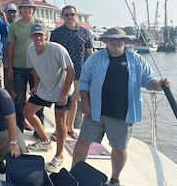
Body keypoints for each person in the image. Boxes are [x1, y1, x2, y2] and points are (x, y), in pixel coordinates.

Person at [71, 27, 171, 186]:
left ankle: (115, 178)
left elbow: (149, 81)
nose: (115, 41)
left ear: (125, 41)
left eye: (119, 39)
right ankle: (74, 173)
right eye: (111, 38)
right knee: (82, 142)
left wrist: (160, 85)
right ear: (106, 41)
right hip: (95, 112)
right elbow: (84, 81)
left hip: (122, 113)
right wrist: (86, 105)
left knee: (119, 148)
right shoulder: (94, 59)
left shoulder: (137, 60)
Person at [23, 23, 75, 173]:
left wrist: (64, 94)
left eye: (40, 34)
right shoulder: (30, 49)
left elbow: (71, 71)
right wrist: (36, 85)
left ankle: (59, 156)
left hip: (61, 90)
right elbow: (34, 69)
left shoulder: (57, 49)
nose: (38, 37)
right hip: (44, 89)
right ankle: (45, 140)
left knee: (60, 123)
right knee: (27, 112)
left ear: (46, 35)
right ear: (31, 37)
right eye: (35, 35)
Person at [50, 5, 93, 138]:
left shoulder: (85, 33)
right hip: (61, 72)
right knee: (60, 100)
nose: (69, 17)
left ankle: (70, 127)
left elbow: (89, 53)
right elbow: (52, 53)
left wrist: (91, 72)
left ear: (76, 15)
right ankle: (58, 129)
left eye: (72, 14)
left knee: (74, 100)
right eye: (66, 15)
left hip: (79, 72)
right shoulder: (56, 33)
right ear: (62, 16)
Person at [7, 0, 44, 132]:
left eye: (30, 7)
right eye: (24, 7)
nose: (27, 9)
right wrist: (10, 66)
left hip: (37, 67)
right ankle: (19, 129)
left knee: (39, 98)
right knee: (19, 99)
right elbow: (11, 46)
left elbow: (46, 43)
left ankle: (39, 131)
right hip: (19, 66)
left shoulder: (39, 23)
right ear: (20, 10)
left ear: (33, 10)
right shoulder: (14, 26)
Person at [1, 3, 17, 97]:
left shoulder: (19, 25)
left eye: (13, 12)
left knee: (18, 89)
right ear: (5, 13)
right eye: (9, 12)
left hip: (18, 64)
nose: (11, 14)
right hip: (6, 63)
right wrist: (4, 21)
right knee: (8, 88)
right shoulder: (2, 25)